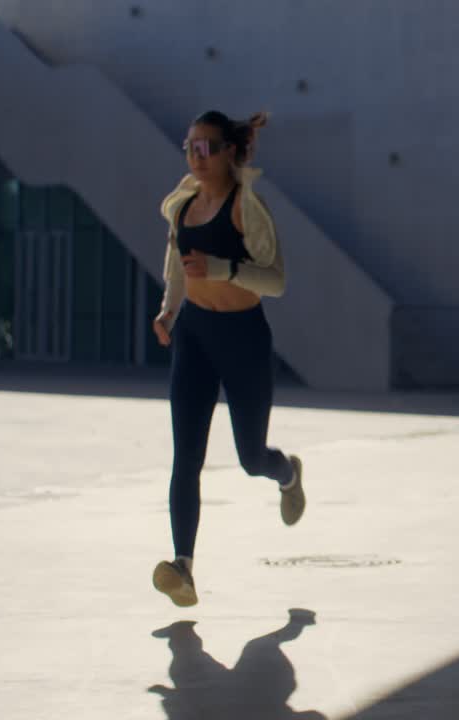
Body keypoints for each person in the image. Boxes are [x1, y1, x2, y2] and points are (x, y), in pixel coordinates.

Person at [150, 110, 304, 608]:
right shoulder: (183, 206)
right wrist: (168, 310)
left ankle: (287, 473)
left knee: (250, 458)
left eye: (207, 147)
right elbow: (178, 265)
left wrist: (220, 268)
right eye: (190, 147)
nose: (197, 156)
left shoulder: (246, 208)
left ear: (230, 152)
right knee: (185, 458)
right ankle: (183, 567)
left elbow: (275, 280)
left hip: (243, 339)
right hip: (196, 334)